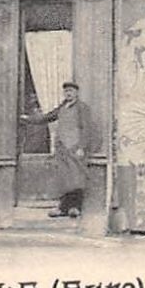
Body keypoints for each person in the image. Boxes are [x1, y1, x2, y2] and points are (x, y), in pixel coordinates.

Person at [19, 81, 96, 218]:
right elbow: (47, 117)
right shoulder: (62, 108)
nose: (68, 94)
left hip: (74, 147)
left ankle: (75, 207)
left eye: (71, 91)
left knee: (76, 178)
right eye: (66, 91)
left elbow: (87, 129)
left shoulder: (82, 108)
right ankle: (63, 208)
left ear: (76, 93)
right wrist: (28, 119)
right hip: (62, 148)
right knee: (64, 178)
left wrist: (81, 147)